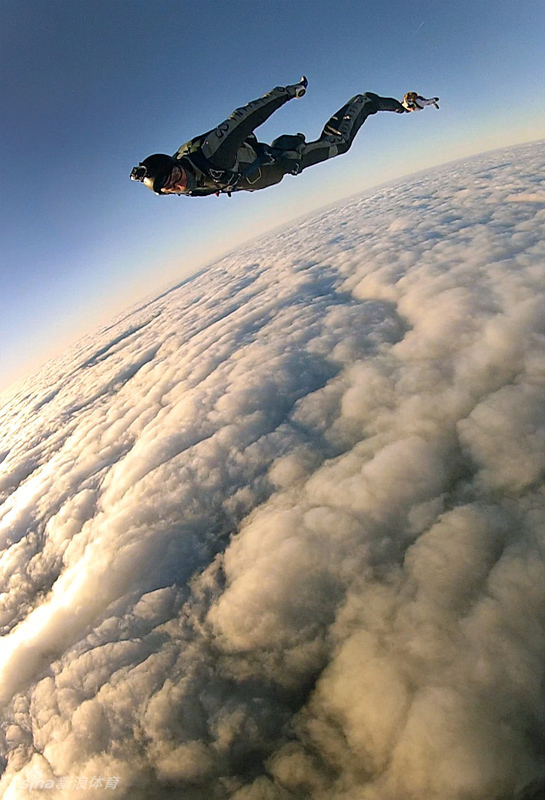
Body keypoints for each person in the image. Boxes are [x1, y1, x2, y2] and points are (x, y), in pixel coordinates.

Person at [130, 78, 425, 198]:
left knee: (339, 144)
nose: (178, 184)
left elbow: (245, 117)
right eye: (170, 188)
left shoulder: (211, 153)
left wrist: (285, 93)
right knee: (330, 147)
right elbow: (199, 184)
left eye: (174, 176)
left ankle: (381, 103)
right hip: (272, 167)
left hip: (280, 160)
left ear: (175, 164)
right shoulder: (189, 188)